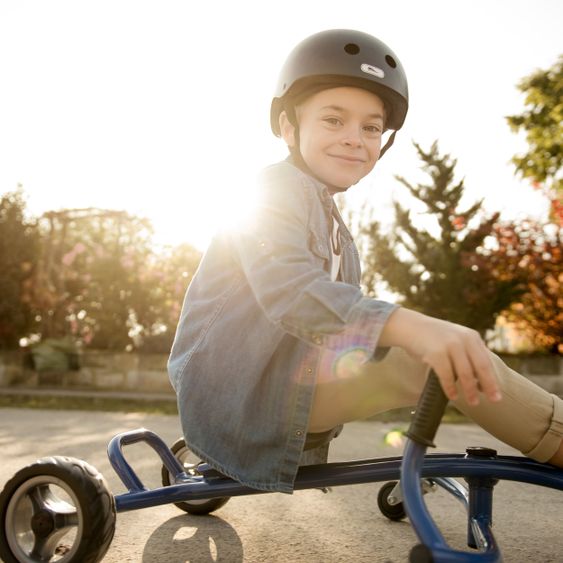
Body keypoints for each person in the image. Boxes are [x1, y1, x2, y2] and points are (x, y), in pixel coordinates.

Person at [168, 29, 563, 493]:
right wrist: (416, 330)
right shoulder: (273, 191)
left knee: (438, 352)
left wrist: (414, 332)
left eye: (371, 127)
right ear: (289, 127)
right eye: (333, 120)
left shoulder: (332, 223)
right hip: (241, 396)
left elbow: (339, 318)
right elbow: (291, 293)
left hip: (285, 383)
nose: (355, 139)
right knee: (435, 358)